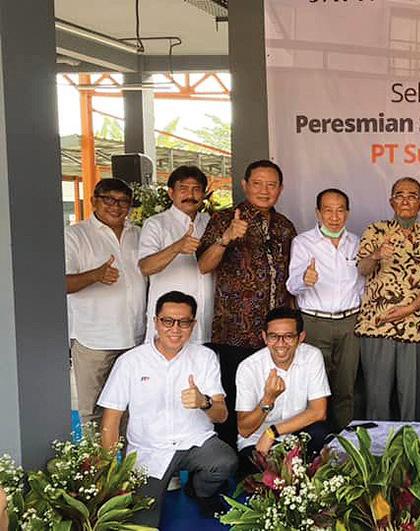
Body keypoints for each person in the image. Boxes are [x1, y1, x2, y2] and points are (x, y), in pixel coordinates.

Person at [98, 291, 237, 526]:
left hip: (194, 442)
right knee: (141, 524)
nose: (175, 329)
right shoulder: (130, 361)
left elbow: (221, 415)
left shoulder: (205, 357)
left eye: (184, 322)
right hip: (148, 451)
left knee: (224, 461)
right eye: (167, 321)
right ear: (155, 322)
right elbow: (111, 421)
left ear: (193, 324)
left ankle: (200, 491)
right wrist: (111, 475)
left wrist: (204, 402)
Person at [197, 160, 298, 446]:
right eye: (257, 184)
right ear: (244, 185)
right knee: (234, 396)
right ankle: (231, 457)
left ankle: (268, 456)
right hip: (235, 332)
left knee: (275, 395)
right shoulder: (223, 219)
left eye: (271, 185)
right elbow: (204, 265)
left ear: (280, 189)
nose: (264, 191)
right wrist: (226, 239)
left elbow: (291, 279)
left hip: (276, 336)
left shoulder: (285, 226)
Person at [355, 177, 420, 421]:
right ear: (391, 201)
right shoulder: (375, 230)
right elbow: (362, 269)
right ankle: (376, 445)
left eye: (412, 196)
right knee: (377, 399)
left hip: (414, 326)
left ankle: (411, 444)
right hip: (377, 324)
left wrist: (411, 307)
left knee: (412, 401)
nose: (405, 200)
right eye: (400, 195)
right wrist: (376, 255)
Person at [65, 178, 147, 427]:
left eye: (123, 201)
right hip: (94, 340)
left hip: (135, 338)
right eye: (109, 199)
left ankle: (126, 454)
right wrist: (95, 275)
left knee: (132, 409)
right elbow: (62, 283)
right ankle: (98, 455)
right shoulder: (75, 235)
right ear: (93, 201)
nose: (116, 206)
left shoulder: (138, 234)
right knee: (93, 412)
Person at [286, 188, 363, 432]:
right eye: (328, 210)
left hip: (350, 323)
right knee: (314, 389)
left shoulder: (357, 243)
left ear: (347, 213)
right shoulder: (303, 242)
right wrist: (304, 279)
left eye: (340, 210)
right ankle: (316, 443)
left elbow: (363, 285)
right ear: (318, 213)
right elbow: (291, 285)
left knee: (346, 388)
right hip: (314, 323)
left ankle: (344, 442)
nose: (334, 216)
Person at [235, 307, 331, 477]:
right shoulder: (248, 367)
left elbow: (319, 411)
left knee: (320, 432)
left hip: (294, 434)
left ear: (300, 337)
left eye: (288, 336)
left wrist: (272, 432)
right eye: (274, 336)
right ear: (264, 337)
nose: (280, 344)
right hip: (258, 441)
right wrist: (268, 400)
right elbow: (244, 429)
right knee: (268, 474)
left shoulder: (312, 356)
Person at [138, 165, 214, 344]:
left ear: (203, 194)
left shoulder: (210, 222)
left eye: (196, 189)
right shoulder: (156, 224)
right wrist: (176, 247)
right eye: (183, 189)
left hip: (206, 319)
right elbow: (145, 267)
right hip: (171, 324)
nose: (190, 195)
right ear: (171, 193)